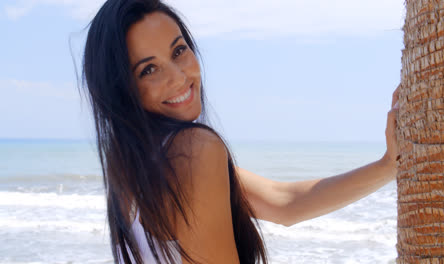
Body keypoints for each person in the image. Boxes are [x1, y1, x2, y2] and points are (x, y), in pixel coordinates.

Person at [81, 0, 400, 263]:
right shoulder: (192, 151)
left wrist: (388, 166)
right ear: (121, 90)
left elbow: (284, 203)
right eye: (149, 69)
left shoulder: (132, 163)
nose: (178, 76)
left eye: (179, 50)